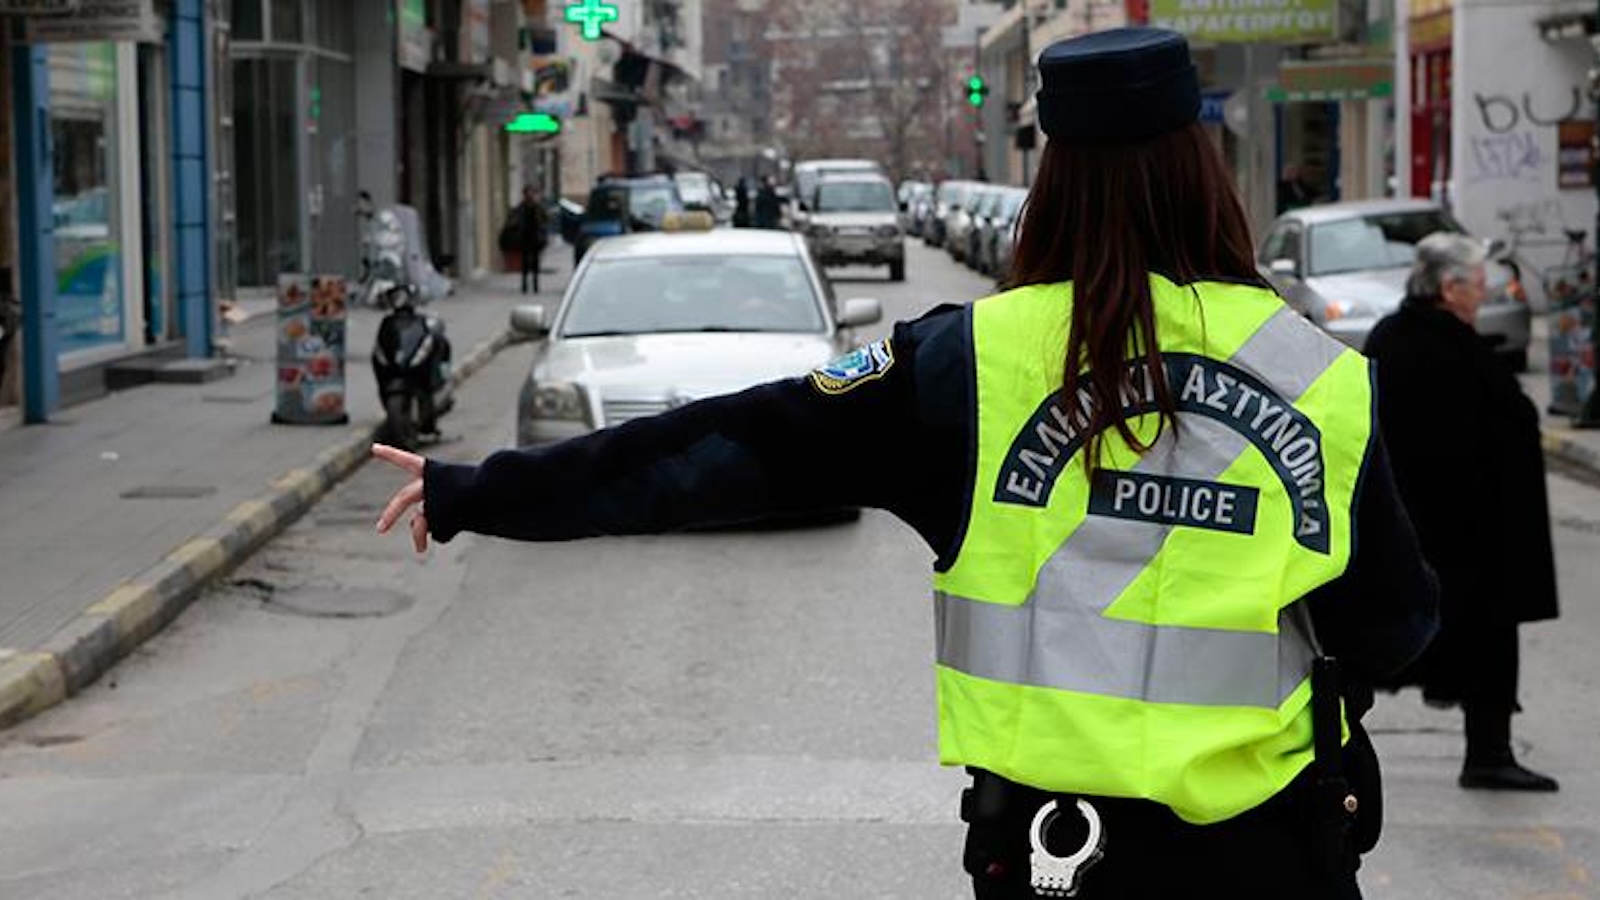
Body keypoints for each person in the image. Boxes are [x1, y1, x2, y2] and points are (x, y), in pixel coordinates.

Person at [374, 28, 1438, 898]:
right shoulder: (1318, 375)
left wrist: (482, 489)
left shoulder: (966, 365)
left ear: (1050, 178)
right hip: (1270, 862)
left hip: (1051, 859)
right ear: (1205, 172)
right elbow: (1394, 626)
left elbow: (726, 448)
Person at [1364, 233, 1560, 793]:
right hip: (1463, 535)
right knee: (1485, 639)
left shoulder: (1397, 337)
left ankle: (1488, 751)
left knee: (1396, 643)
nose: (1483, 294)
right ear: (1449, 289)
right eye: (1477, 285)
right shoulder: (1438, 345)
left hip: (1430, 532)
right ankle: (1489, 753)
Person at [512, 185, 548, 294]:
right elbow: (515, 220)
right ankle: (524, 285)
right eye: (527, 193)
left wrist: (542, 229)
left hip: (535, 238)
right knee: (525, 262)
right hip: (524, 237)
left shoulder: (537, 207)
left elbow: (546, 219)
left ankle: (535, 284)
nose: (529, 195)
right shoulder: (521, 207)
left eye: (531, 193)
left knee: (535, 261)